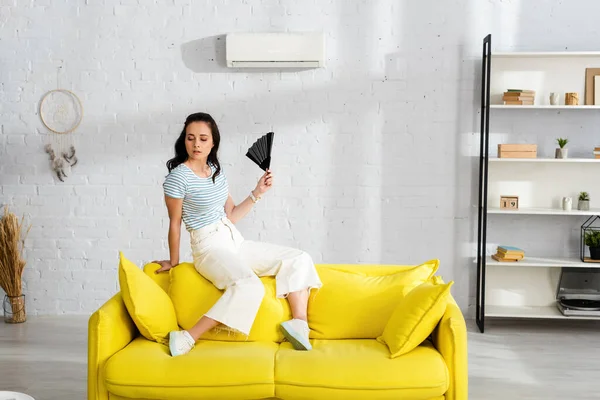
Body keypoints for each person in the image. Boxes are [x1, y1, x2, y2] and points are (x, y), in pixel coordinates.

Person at [153, 112, 322, 357]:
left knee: (299, 258)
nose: (196, 144)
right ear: (184, 141)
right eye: (191, 138)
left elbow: (230, 214)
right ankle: (189, 336)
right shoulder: (178, 177)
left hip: (233, 239)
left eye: (203, 138)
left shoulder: (216, 172)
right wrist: (175, 260)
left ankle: (299, 324)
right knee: (249, 286)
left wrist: (257, 192)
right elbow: (175, 223)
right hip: (208, 247)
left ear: (213, 143)